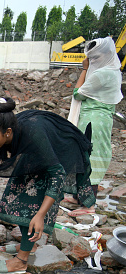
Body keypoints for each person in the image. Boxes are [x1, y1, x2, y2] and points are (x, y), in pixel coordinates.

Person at [0, 98, 96, 274]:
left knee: (31, 205)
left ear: (7, 132)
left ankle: (21, 261)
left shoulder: (33, 133)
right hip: (36, 154)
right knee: (13, 199)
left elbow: (57, 173)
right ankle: (29, 244)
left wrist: (40, 214)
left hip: (62, 150)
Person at [65, 37, 123, 216]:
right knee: (84, 156)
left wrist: (84, 69)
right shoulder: (113, 70)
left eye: (93, 59)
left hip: (93, 121)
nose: (91, 62)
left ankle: (88, 205)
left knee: (91, 158)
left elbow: (78, 93)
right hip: (98, 119)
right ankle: (78, 197)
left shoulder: (102, 74)